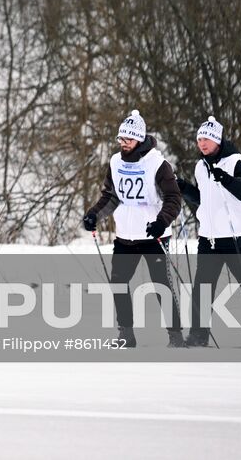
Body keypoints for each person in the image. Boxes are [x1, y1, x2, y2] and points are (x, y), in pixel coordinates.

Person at [81, 110, 185, 348]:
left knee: (161, 285)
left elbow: (173, 198)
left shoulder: (158, 165)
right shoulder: (116, 162)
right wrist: (94, 215)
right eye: (121, 139)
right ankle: (126, 334)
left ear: (139, 138)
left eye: (128, 139)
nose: (123, 143)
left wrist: (161, 222)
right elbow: (111, 196)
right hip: (125, 237)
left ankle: (175, 335)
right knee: (118, 282)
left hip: (153, 236)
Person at [176, 115, 241, 347]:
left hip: (236, 239)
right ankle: (198, 335)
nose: (202, 143)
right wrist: (184, 188)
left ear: (217, 140)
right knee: (202, 287)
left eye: (207, 139)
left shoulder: (236, 162)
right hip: (209, 239)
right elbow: (205, 200)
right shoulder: (200, 166)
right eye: (199, 139)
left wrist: (225, 179)